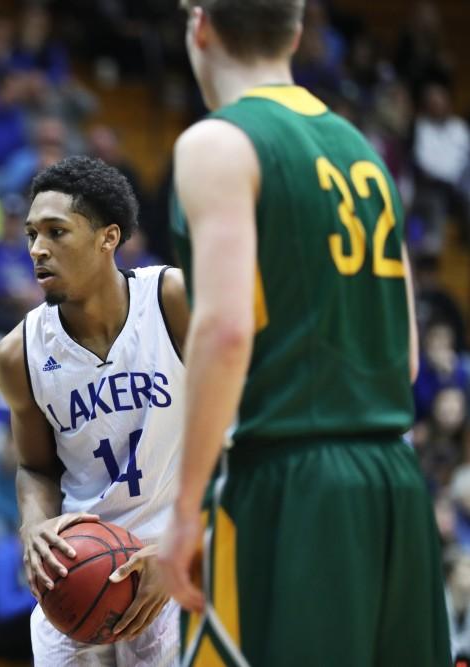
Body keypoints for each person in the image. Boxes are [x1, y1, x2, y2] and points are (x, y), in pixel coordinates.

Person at [161, 1, 450, 665]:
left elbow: (226, 331)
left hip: (291, 484)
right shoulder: (364, 150)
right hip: (394, 483)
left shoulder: (218, 142)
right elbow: (405, 356)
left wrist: (184, 507)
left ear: (199, 25)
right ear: (295, 32)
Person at [0, 155, 190, 666]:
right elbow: (36, 467)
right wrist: (33, 525)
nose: (38, 249)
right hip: (78, 568)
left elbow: (244, 431)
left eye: (57, 232)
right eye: (32, 234)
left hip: (175, 558)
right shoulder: (20, 354)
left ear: (108, 238)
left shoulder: (173, 301)